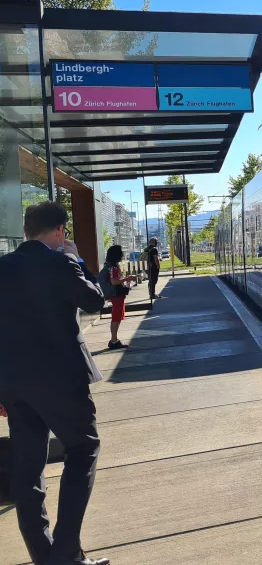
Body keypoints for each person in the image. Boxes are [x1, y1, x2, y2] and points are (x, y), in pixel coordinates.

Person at [0, 201, 108, 565]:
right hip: (62, 380)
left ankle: (46, 555)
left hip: (14, 383)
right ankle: (65, 553)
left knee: (28, 466)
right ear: (60, 231)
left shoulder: (2, 267)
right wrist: (77, 261)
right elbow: (95, 302)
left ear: (28, 230)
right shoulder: (61, 261)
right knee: (84, 449)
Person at [102, 245, 133, 350]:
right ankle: (114, 340)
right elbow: (114, 281)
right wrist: (126, 279)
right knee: (116, 317)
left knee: (117, 316)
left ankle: (114, 340)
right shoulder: (114, 267)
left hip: (115, 295)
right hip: (117, 295)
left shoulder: (110, 266)